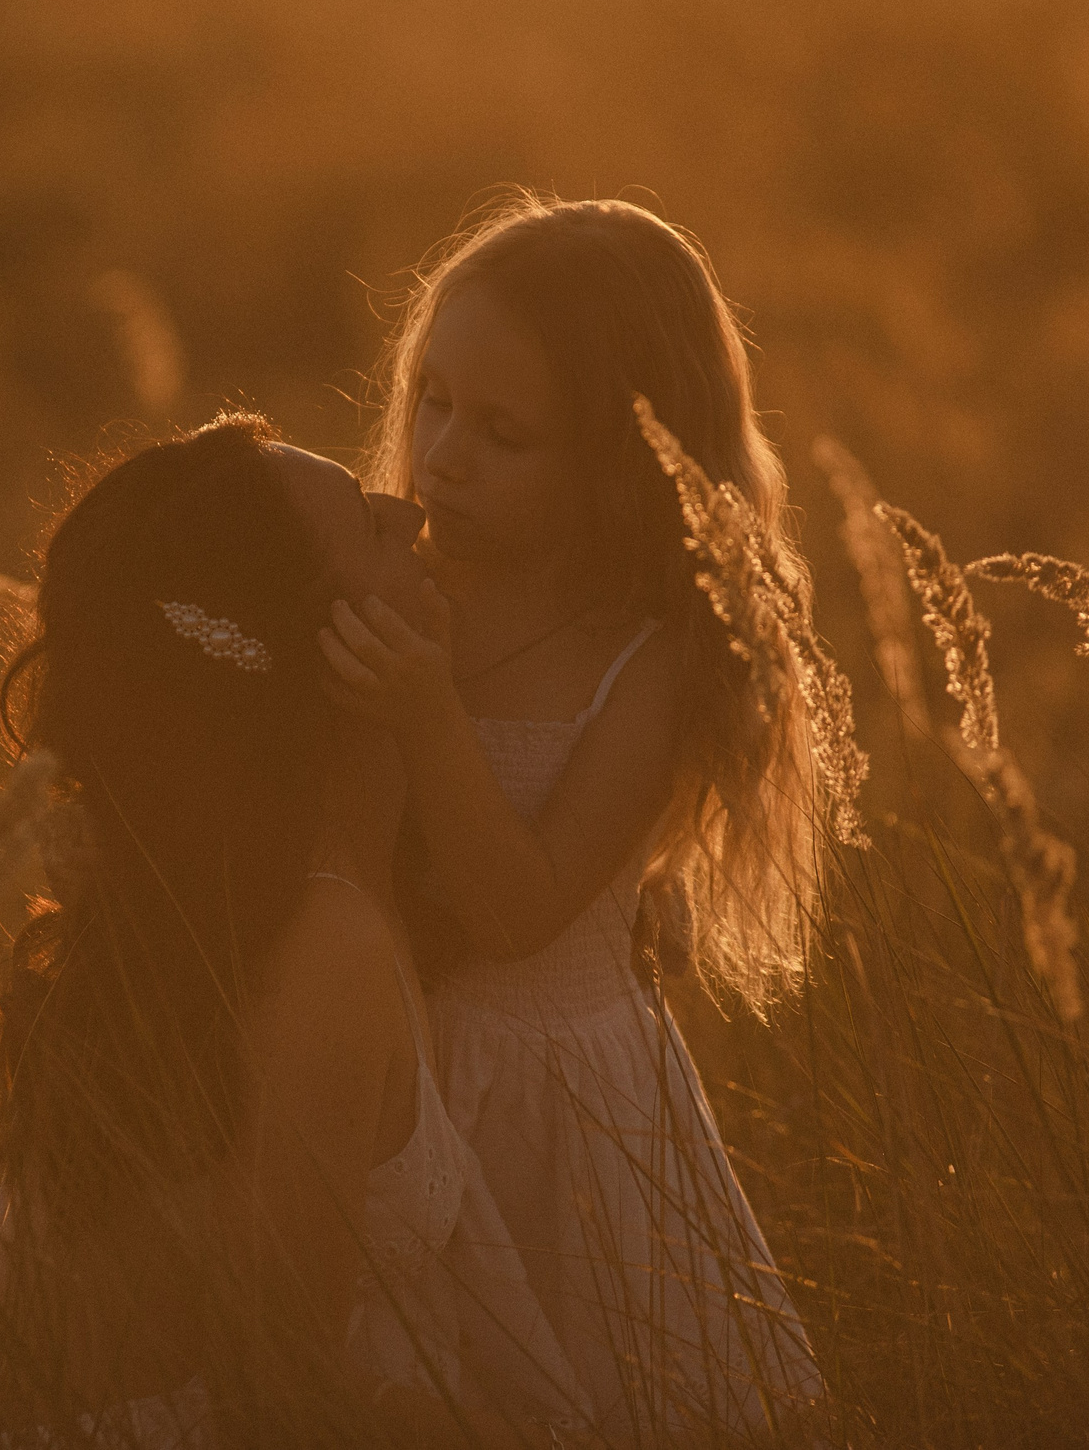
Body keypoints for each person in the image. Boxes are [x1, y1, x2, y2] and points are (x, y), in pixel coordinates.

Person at [0, 414, 588, 1449]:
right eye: (370, 531)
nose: (408, 503)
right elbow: (275, 1391)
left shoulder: (305, 883)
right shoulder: (319, 941)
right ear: (309, 651)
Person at [323, 195, 835, 1444]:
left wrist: (426, 713)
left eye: (504, 433)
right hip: (392, 1081)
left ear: (623, 464)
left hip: (559, 1106)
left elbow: (516, 907)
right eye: (433, 400)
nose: (442, 454)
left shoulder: (650, 662)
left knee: (584, 1395)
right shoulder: (405, 575)